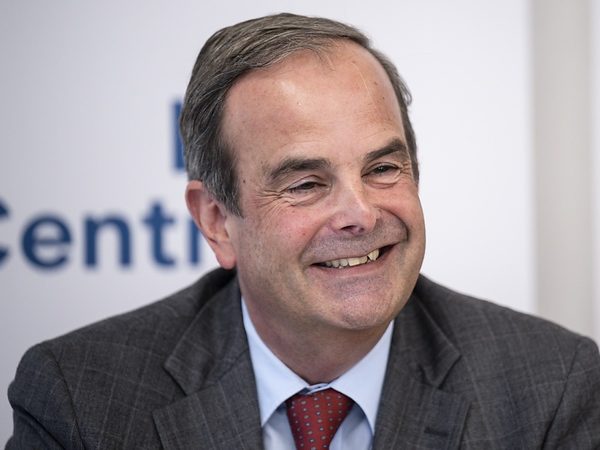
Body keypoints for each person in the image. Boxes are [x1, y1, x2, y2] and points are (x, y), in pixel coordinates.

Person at [6, 13, 600, 449]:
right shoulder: (81, 397)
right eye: (306, 183)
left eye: (383, 168)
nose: (360, 213)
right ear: (216, 221)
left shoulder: (549, 387)